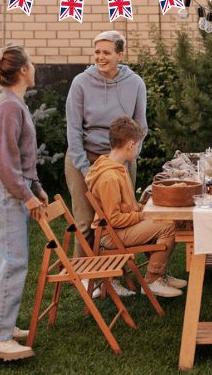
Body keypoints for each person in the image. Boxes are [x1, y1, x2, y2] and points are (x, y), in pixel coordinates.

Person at [0, 45, 48, 363]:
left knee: (8, 260)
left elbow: (20, 157)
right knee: (12, 261)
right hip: (3, 190)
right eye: (31, 64)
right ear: (23, 70)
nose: (34, 68)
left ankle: (1, 324)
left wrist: (36, 187)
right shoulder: (9, 106)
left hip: (8, 187)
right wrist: (28, 196)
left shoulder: (13, 103)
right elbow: (5, 163)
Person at [65, 30, 148, 276]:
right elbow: (73, 129)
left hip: (121, 160)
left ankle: (116, 275)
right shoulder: (81, 82)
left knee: (119, 219)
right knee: (86, 224)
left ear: (120, 55)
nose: (100, 57)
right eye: (97, 52)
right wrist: (87, 169)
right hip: (85, 159)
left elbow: (140, 127)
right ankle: (86, 277)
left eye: (106, 53)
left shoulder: (135, 83)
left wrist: (128, 157)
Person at [85, 116, 186, 298]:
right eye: (138, 146)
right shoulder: (109, 177)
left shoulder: (119, 167)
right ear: (130, 145)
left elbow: (128, 206)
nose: (138, 150)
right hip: (110, 235)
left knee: (173, 219)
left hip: (121, 228)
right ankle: (153, 280)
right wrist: (143, 216)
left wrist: (145, 209)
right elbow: (113, 219)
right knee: (168, 225)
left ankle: (159, 274)